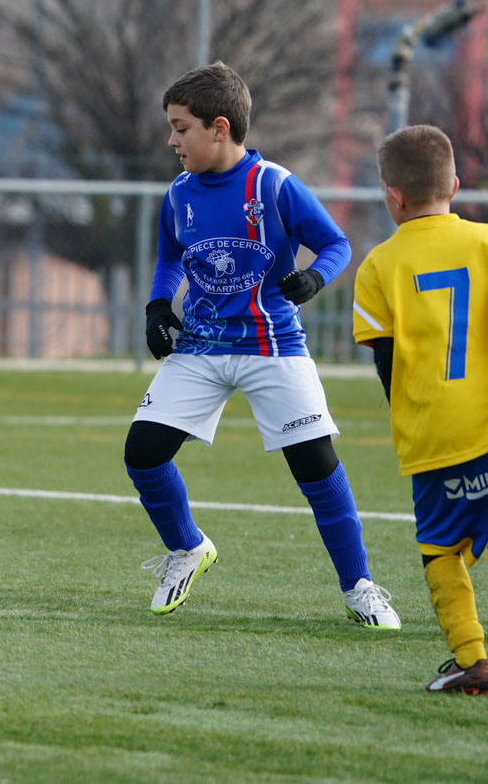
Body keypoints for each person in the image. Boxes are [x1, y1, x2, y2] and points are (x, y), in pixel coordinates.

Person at [123, 61, 399, 627]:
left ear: (219, 128)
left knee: (316, 467)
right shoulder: (178, 194)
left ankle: (360, 587)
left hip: (272, 344)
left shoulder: (273, 185)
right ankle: (189, 548)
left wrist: (316, 277)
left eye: (181, 128)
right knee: (143, 454)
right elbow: (170, 257)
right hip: (200, 346)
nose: (171, 140)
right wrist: (158, 305)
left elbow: (335, 243)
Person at [353, 124, 488, 691]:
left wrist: (408, 423)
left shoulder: (379, 268)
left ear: (393, 197)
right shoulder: (485, 243)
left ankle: (474, 661)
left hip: (437, 436)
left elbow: (388, 365)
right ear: (455, 184)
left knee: (441, 552)